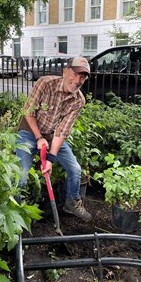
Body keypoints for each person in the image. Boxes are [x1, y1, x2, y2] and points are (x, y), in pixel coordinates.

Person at [16, 56, 92, 222]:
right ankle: (15, 210)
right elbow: (28, 111)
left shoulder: (79, 100)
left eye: (82, 77)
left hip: (51, 135)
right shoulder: (45, 83)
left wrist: (50, 158)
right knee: (21, 175)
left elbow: (62, 131)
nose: (77, 80)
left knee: (75, 169)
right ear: (65, 71)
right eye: (75, 74)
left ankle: (71, 203)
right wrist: (38, 137)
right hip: (29, 131)